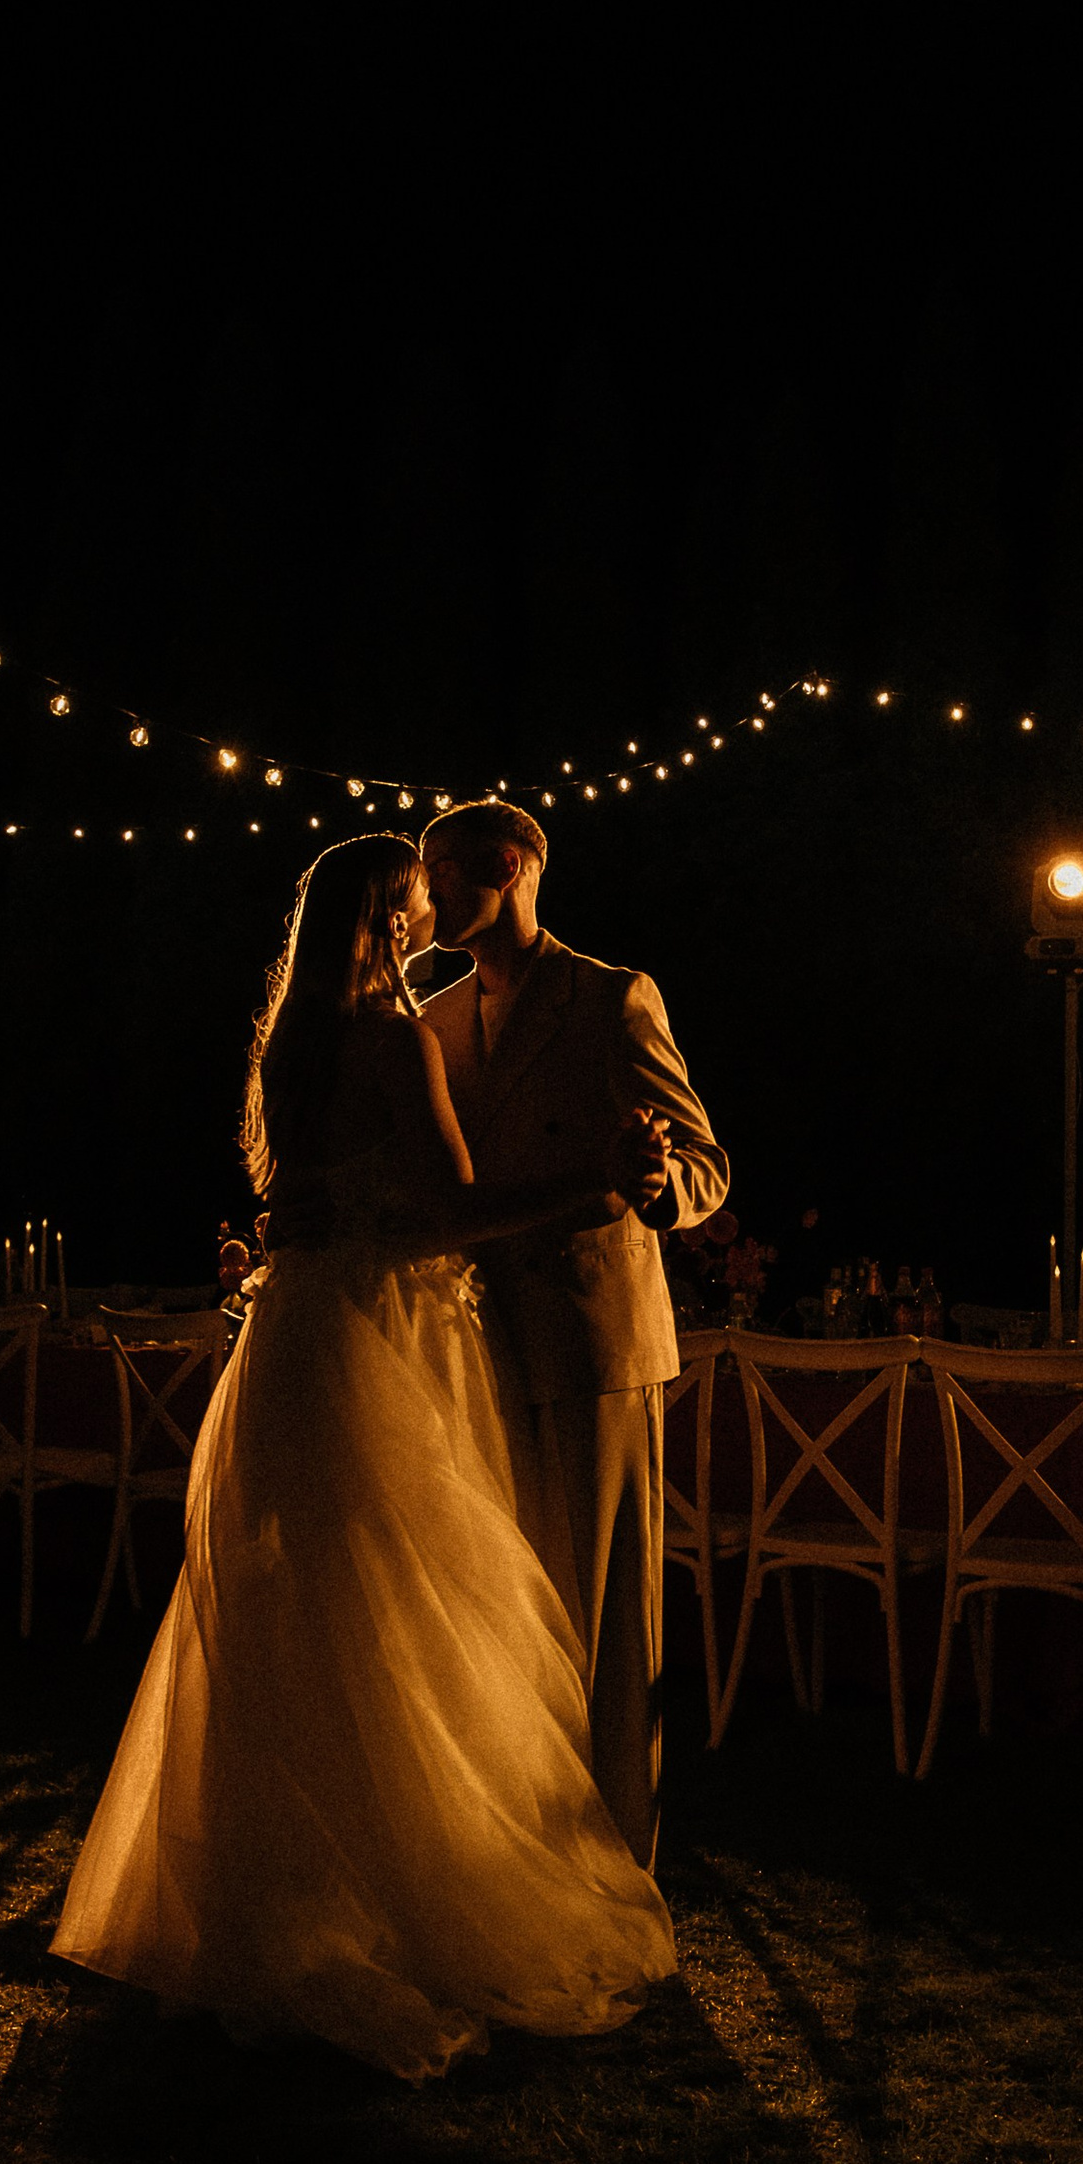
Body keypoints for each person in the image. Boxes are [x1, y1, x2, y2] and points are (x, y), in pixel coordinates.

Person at [51, 834, 677, 2084]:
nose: (430, 910)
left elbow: (319, 1201)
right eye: (414, 897)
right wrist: (594, 1184)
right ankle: (421, 1893)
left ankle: (279, 1902)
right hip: (388, 1344)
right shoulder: (397, 1039)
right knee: (418, 1616)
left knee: (300, 1627)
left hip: (297, 1340)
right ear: (389, 916)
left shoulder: (289, 1046)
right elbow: (450, 1211)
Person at [417, 800, 729, 1867]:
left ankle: (615, 1857)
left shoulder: (609, 997)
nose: (425, 897)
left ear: (507, 866)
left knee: (604, 1621)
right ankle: (515, 1853)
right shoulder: (434, 1018)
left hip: (594, 1343)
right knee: (502, 1611)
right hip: (475, 1346)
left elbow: (704, 1160)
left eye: (441, 871)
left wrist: (659, 1186)